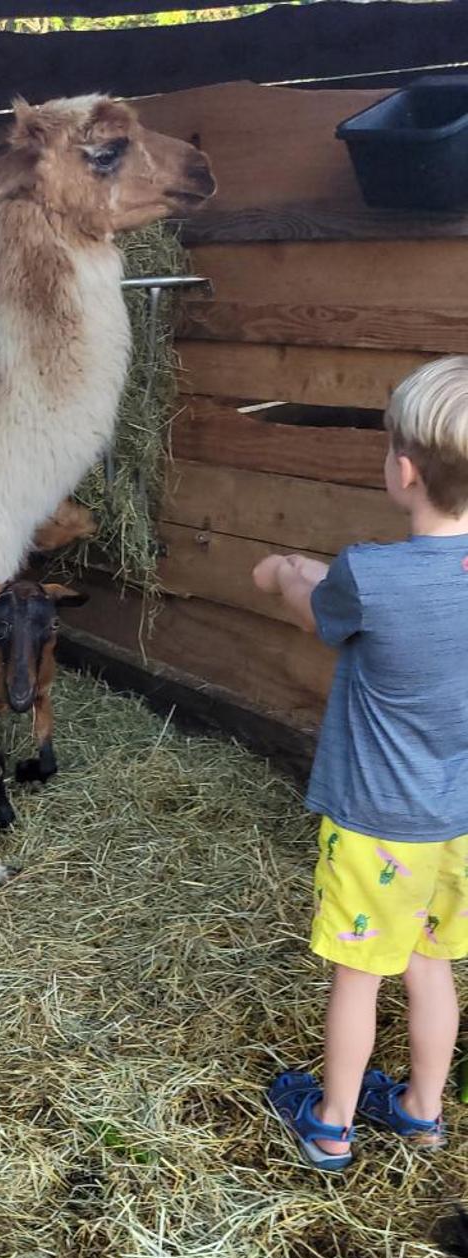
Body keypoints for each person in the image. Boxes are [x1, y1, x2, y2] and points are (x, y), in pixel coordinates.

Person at [253, 356, 468, 1171]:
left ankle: (331, 1123)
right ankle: (422, 1112)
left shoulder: (369, 575)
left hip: (378, 824)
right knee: (431, 965)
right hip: (457, 822)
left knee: (357, 976)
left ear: (404, 471)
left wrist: (282, 574)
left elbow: (322, 613)